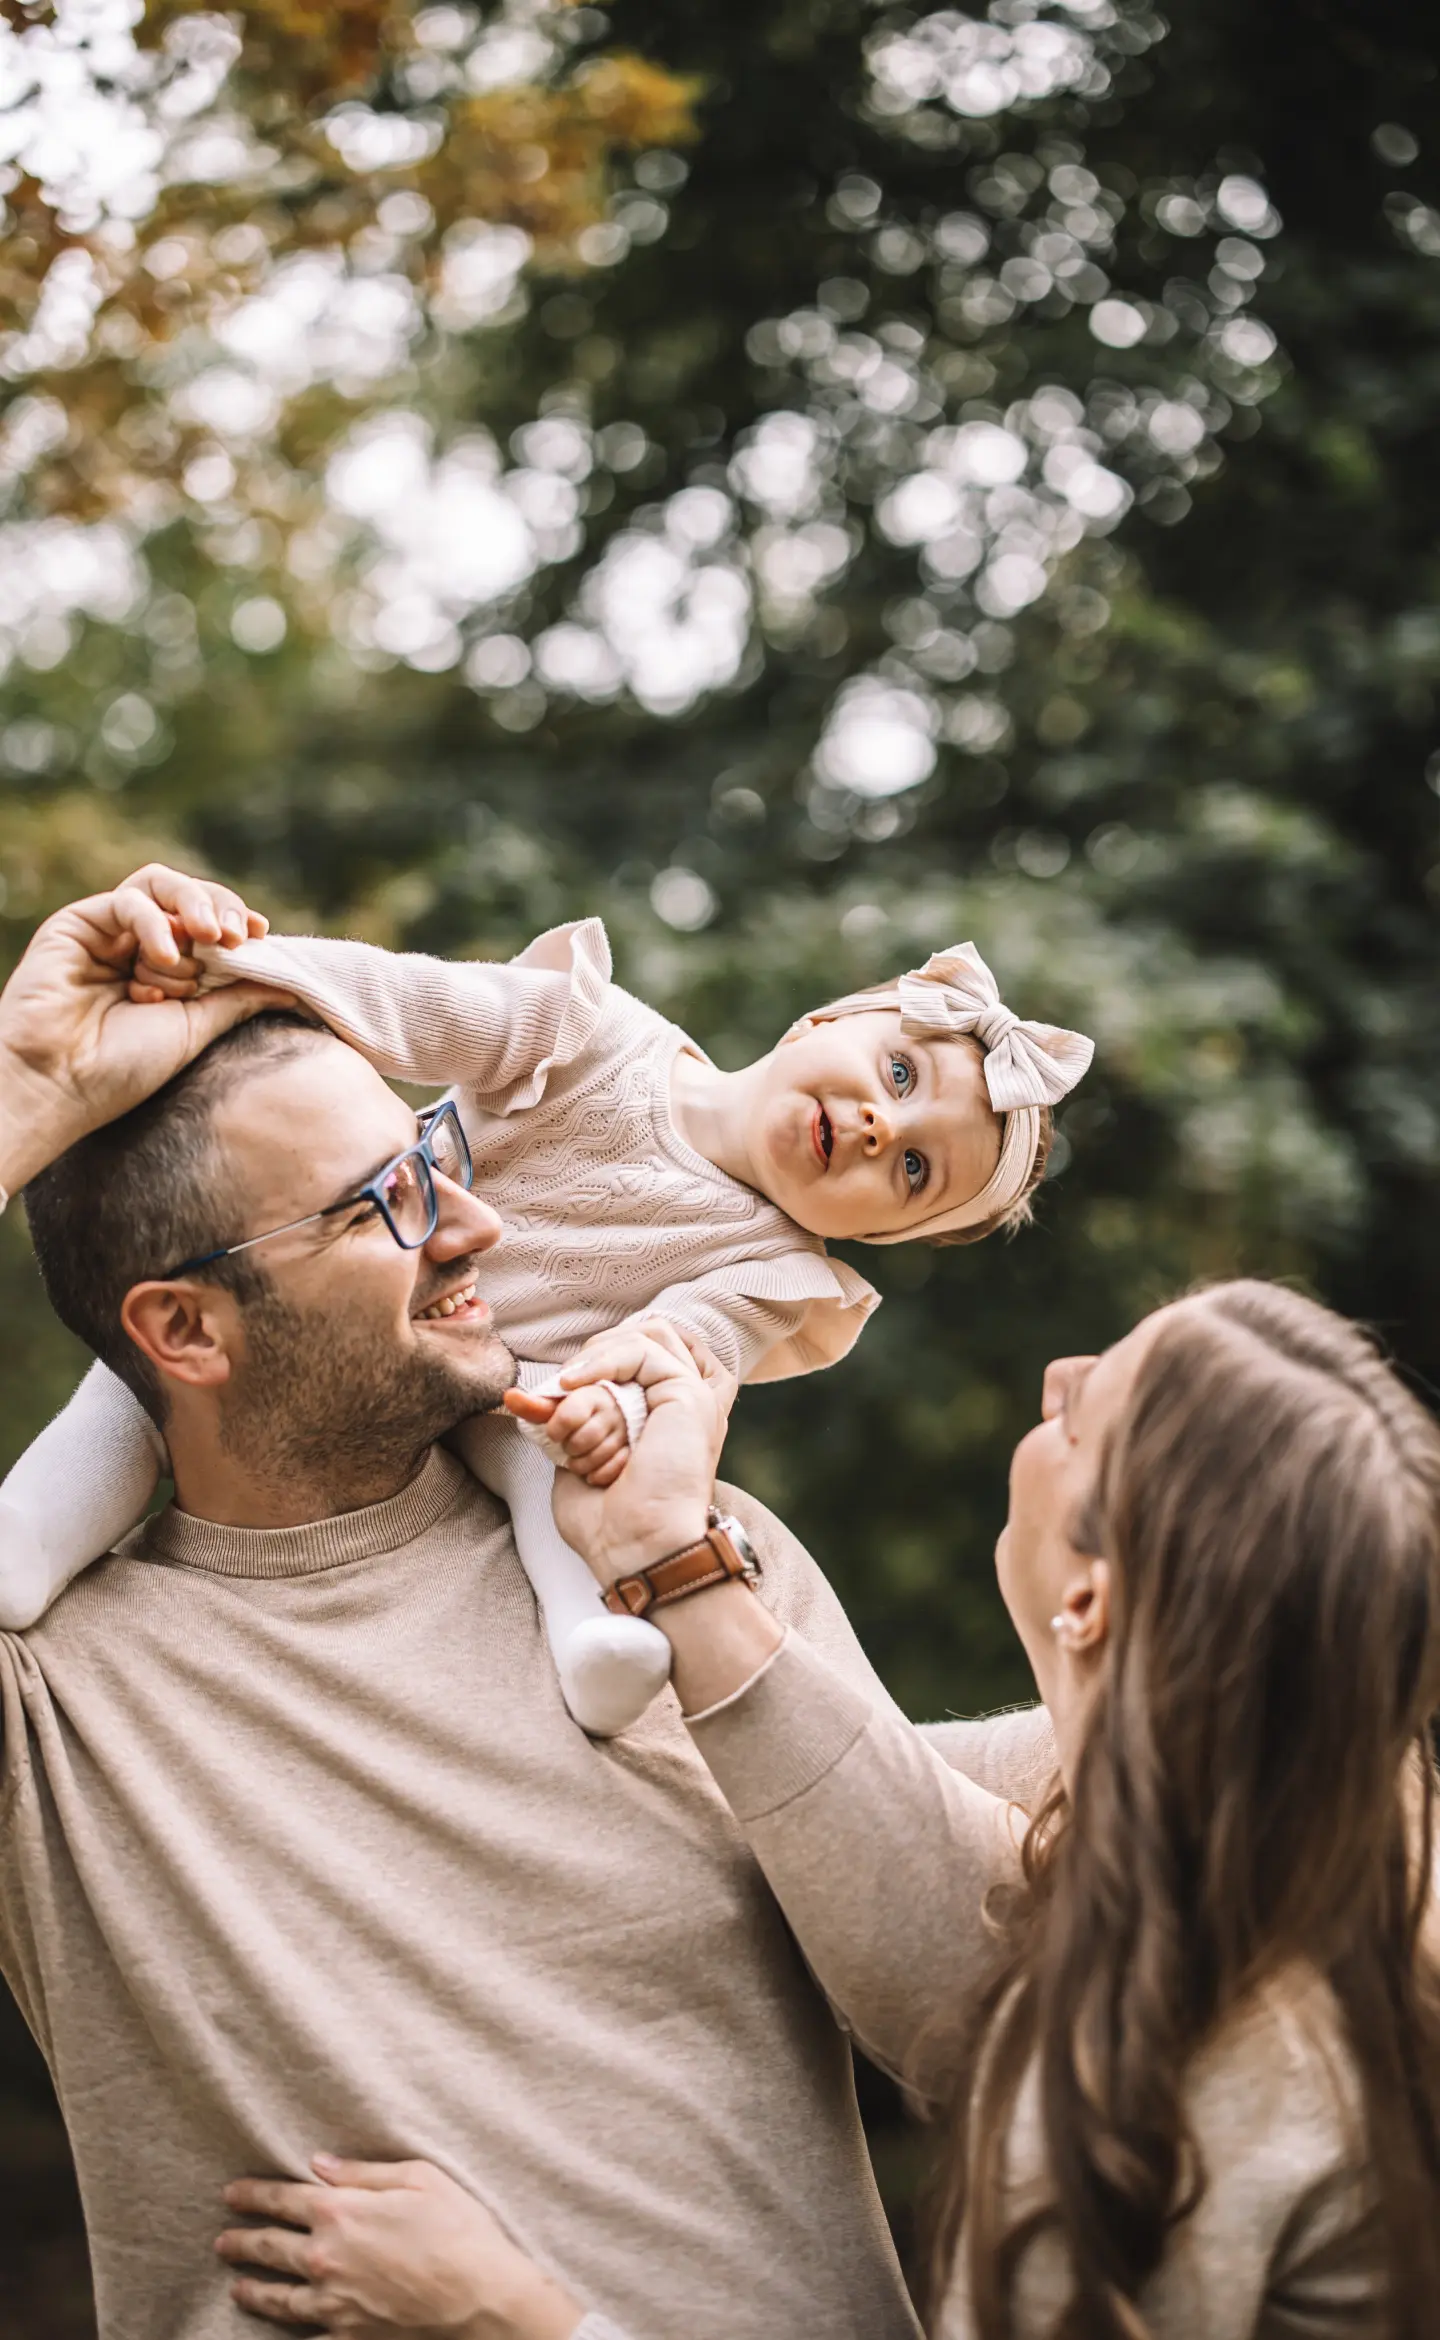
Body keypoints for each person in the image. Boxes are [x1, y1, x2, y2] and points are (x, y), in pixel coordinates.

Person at [0, 869, 1047, 2340]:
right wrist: (25, 1088)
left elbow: (998, 2023)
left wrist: (687, 1582)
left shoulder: (687, 1561)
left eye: (437, 1152)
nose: (476, 1220)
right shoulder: (50, 1697)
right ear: (181, 1329)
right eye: (389, 1201)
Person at [231, 1299, 1440, 2337]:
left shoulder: (1169, 2095)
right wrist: (662, 1549)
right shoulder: (1320, 1805)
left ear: (1089, 1598)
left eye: (1083, 1415)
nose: (1053, 1377)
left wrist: (508, 2313)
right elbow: (870, 1820)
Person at [0, 876, 1093, 1734]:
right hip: (364, 1293)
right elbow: (409, 1001)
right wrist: (244, 970)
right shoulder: (593, 1033)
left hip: (517, 1388)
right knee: (152, 1372)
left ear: (878, 1240)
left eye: (912, 1176)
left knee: (568, 1480)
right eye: (900, 1080)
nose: (876, 1133)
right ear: (822, 1020)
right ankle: (28, 1536)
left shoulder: (770, 1267)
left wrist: (611, 1406)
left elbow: (681, 1352)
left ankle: (589, 1640)